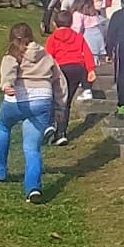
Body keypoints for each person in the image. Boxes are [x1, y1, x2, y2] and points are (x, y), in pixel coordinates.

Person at [0, 22, 64, 203]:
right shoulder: (46, 55)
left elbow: (9, 70)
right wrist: (59, 107)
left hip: (18, 100)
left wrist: (7, 84)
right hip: (43, 101)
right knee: (32, 148)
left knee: (3, 126)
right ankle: (33, 188)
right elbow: (59, 82)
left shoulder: (12, 54)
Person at [44, 9, 97, 146]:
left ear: (55, 23)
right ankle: (62, 133)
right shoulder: (78, 36)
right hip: (78, 69)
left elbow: (48, 57)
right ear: (71, 23)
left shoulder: (53, 38)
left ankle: (51, 126)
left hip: (61, 69)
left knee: (55, 99)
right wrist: (90, 69)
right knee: (66, 102)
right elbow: (87, 53)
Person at [72, 0, 107, 98]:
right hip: (97, 37)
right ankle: (88, 86)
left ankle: (86, 88)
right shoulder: (94, 13)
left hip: (87, 38)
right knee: (92, 63)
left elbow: (77, 29)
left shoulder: (78, 14)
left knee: (84, 63)